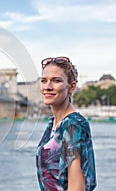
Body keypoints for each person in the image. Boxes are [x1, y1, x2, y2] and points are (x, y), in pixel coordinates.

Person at [36, 57, 96, 191]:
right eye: (44, 81)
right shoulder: (52, 123)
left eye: (56, 81)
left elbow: (77, 188)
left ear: (72, 86)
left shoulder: (73, 125)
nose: (47, 87)